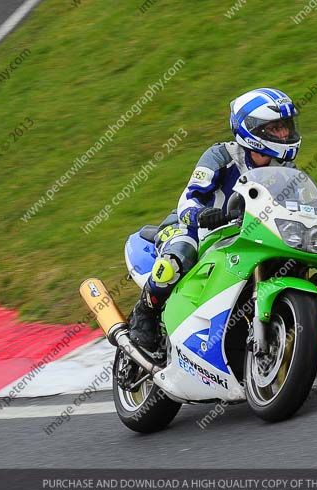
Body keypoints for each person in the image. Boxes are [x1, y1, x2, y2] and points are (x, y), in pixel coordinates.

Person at [128, 87, 302, 357]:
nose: (284, 134)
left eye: (286, 127)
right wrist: (201, 215)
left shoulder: (286, 169)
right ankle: (144, 315)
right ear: (253, 130)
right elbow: (188, 198)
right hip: (193, 228)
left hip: (245, 234)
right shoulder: (221, 157)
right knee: (179, 255)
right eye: (276, 128)